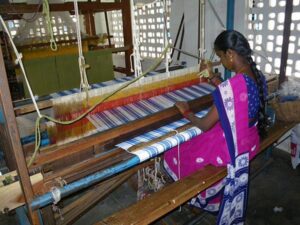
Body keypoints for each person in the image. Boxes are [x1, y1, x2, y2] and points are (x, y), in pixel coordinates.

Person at [163, 30, 269, 224]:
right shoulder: (257, 76)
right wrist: (213, 78)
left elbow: (204, 125)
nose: (221, 61)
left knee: (176, 152)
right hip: (251, 139)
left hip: (231, 148)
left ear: (230, 54)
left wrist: (186, 111)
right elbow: (235, 94)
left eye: (220, 56)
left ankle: (192, 197)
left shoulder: (232, 87)